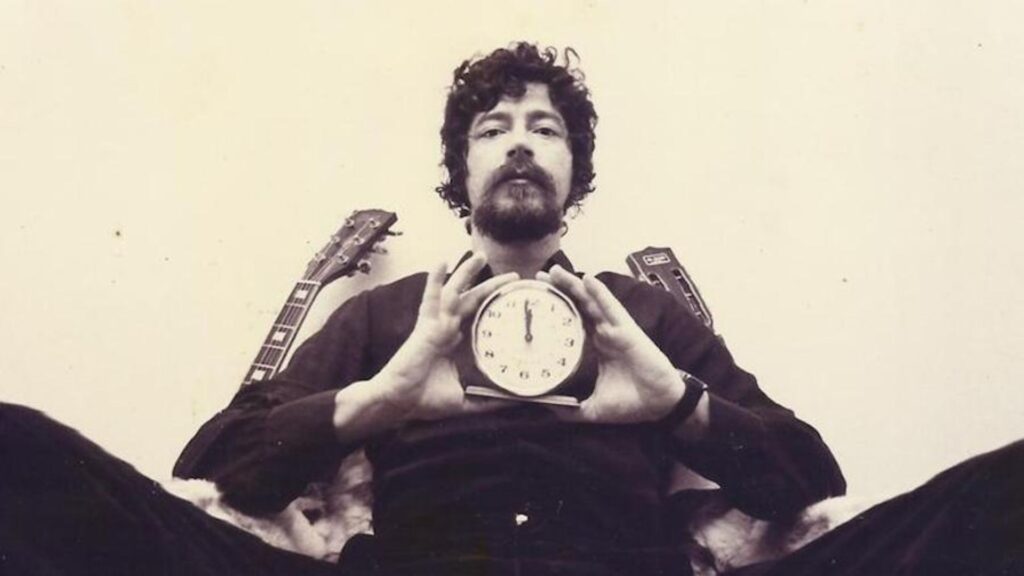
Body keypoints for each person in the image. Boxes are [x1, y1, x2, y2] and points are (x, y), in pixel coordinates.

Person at [1, 42, 1021, 576]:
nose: (521, 141)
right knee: (19, 451)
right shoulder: (388, 316)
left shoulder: (642, 317)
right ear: (462, 171)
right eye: (494, 128)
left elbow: (808, 474)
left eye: (545, 128)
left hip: (618, 568)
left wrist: (675, 402)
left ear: (576, 173)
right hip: (416, 567)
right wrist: (383, 398)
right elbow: (220, 461)